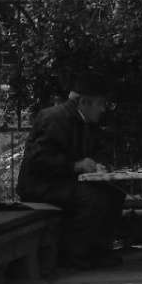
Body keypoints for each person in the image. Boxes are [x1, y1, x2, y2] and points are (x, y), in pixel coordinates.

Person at [16, 72, 125, 270]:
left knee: (115, 193)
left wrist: (100, 164)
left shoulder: (87, 122)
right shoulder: (54, 119)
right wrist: (75, 166)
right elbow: (38, 160)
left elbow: (100, 150)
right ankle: (75, 257)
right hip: (41, 186)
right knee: (92, 198)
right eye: (100, 104)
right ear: (84, 102)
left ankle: (100, 251)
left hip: (63, 182)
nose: (103, 109)